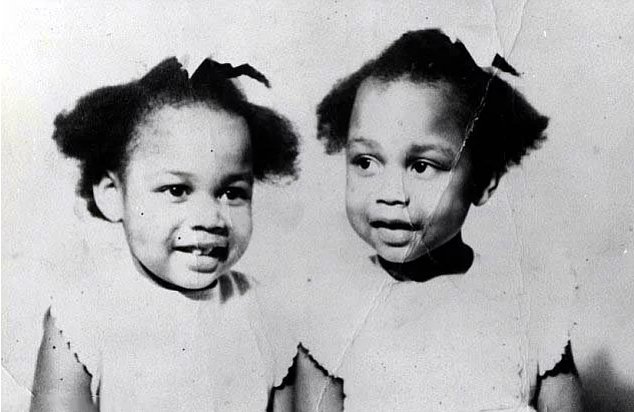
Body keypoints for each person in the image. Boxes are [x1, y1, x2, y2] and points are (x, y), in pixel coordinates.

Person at [296, 29, 583, 411]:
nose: (391, 193)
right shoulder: (330, 313)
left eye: (421, 166)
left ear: (484, 180)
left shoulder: (529, 305)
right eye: (365, 162)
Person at [30, 57, 299, 411]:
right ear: (112, 195)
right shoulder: (83, 318)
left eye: (232, 193)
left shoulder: (264, 314)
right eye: (177, 190)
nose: (210, 218)